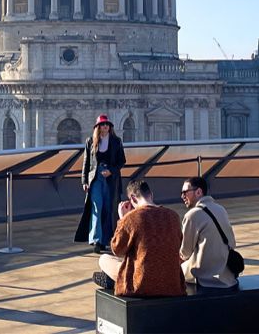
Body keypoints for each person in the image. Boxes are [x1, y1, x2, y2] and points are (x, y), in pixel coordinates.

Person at [92, 179, 185, 297]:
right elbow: (179, 244)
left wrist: (122, 219)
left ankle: (114, 281)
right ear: (151, 194)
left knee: (104, 259)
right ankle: (112, 280)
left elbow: (117, 249)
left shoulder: (132, 218)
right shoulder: (173, 216)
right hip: (172, 283)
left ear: (133, 199)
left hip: (141, 284)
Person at [74, 115, 127, 253]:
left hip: (110, 178)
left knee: (109, 209)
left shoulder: (116, 141)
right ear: (98, 127)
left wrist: (111, 171)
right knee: (97, 208)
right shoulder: (90, 141)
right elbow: (86, 163)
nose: (105, 127)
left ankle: (106, 240)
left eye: (107, 125)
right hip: (95, 178)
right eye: (103, 125)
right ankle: (97, 240)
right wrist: (84, 181)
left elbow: (122, 161)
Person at [178, 176, 238, 291]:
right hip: (227, 276)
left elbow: (185, 253)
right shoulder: (221, 209)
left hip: (205, 279)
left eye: (185, 192)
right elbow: (232, 243)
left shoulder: (192, 215)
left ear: (199, 192)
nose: (182, 196)